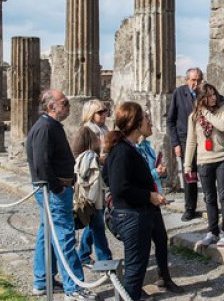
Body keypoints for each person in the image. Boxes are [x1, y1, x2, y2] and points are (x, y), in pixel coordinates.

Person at [27, 90, 96, 301]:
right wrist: (57, 187)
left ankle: (42, 281)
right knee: (65, 237)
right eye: (64, 103)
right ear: (52, 107)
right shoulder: (45, 128)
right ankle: (73, 288)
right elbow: (41, 164)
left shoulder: (51, 126)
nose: (68, 106)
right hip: (54, 192)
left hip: (54, 190)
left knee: (46, 235)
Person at [103, 102, 170, 300]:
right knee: (134, 271)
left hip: (135, 214)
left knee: (136, 269)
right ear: (136, 123)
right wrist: (149, 195)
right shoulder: (123, 151)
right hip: (132, 217)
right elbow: (119, 188)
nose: (149, 121)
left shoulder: (126, 148)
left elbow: (107, 175)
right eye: (145, 118)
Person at [166, 67, 224, 221]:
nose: (196, 83)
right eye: (193, 80)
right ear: (187, 80)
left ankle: (213, 210)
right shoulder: (179, 93)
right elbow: (170, 120)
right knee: (190, 175)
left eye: (199, 79)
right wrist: (175, 143)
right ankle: (190, 208)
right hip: (185, 139)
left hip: (206, 141)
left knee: (209, 180)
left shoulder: (209, 93)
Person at [136, 112, 182, 293]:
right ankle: (135, 286)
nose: (152, 125)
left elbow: (154, 174)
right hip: (142, 200)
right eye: (149, 122)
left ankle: (164, 277)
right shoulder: (134, 149)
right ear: (139, 125)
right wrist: (156, 173)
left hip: (154, 199)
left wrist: (163, 174)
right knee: (142, 246)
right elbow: (141, 176)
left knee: (162, 240)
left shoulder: (148, 147)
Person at [185, 83, 224, 247]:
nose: (213, 98)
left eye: (214, 94)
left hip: (222, 159)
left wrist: (205, 112)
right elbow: (191, 142)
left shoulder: (223, 110)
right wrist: (187, 165)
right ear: (201, 98)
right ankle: (212, 231)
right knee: (209, 198)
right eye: (209, 95)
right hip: (204, 161)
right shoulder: (193, 116)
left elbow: (222, 126)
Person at [70, 99, 112, 269]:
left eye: (105, 111)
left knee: (94, 217)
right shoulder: (85, 131)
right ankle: (105, 260)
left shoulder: (104, 129)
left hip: (102, 179)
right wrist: (96, 158)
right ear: (91, 114)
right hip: (90, 182)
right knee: (97, 221)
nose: (104, 114)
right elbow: (76, 155)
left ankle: (83, 253)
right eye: (100, 112)